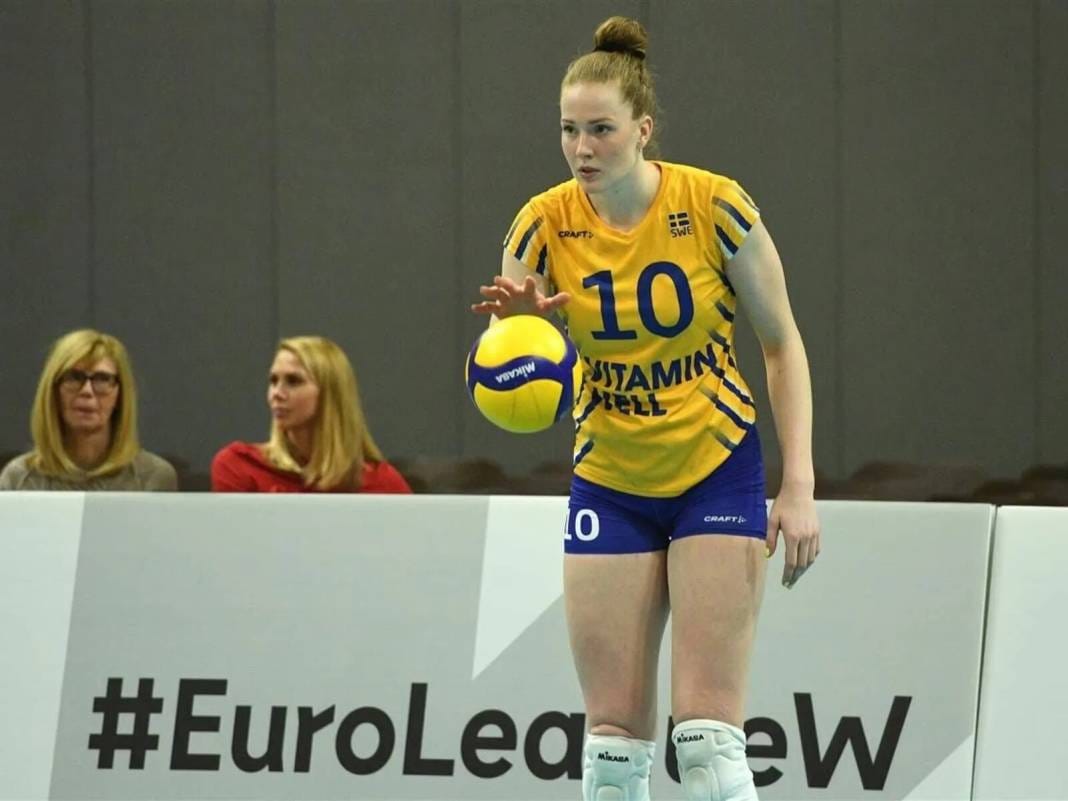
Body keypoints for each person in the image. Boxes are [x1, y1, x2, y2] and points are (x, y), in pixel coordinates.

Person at [471, 17, 819, 801]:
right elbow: (516, 380)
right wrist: (521, 332)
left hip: (714, 470)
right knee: (611, 756)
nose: (582, 148)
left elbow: (782, 345)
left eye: (601, 129)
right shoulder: (540, 225)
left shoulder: (715, 206)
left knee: (709, 747)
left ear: (643, 129)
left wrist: (797, 485)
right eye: (569, 130)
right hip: (611, 481)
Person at [211, 335, 411, 494]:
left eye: (293, 381)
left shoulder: (382, 483)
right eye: (273, 381)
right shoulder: (241, 466)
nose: (276, 394)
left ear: (330, 394)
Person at [0, 329, 177, 491]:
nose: (87, 391)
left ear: (120, 394)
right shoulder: (19, 479)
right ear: (53, 391)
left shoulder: (153, 478)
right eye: (73, 377)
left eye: (102, 379)